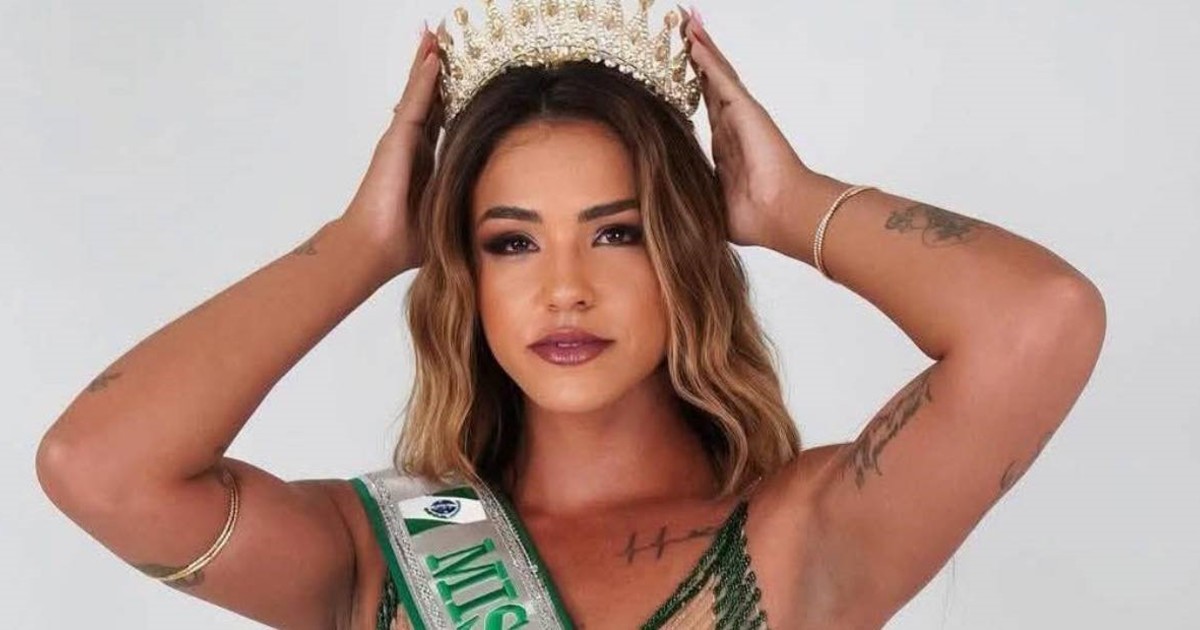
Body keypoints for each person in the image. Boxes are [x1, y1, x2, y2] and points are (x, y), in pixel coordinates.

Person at [35, 2, 1107, 629]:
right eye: (511, 241)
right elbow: (100, 466)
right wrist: (361, 243)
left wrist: (789, 204)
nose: (563, 287)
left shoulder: (801, 537)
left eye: (618, 232)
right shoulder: (386, 551)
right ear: (463, 272)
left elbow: (1040, 321)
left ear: (683, 252)